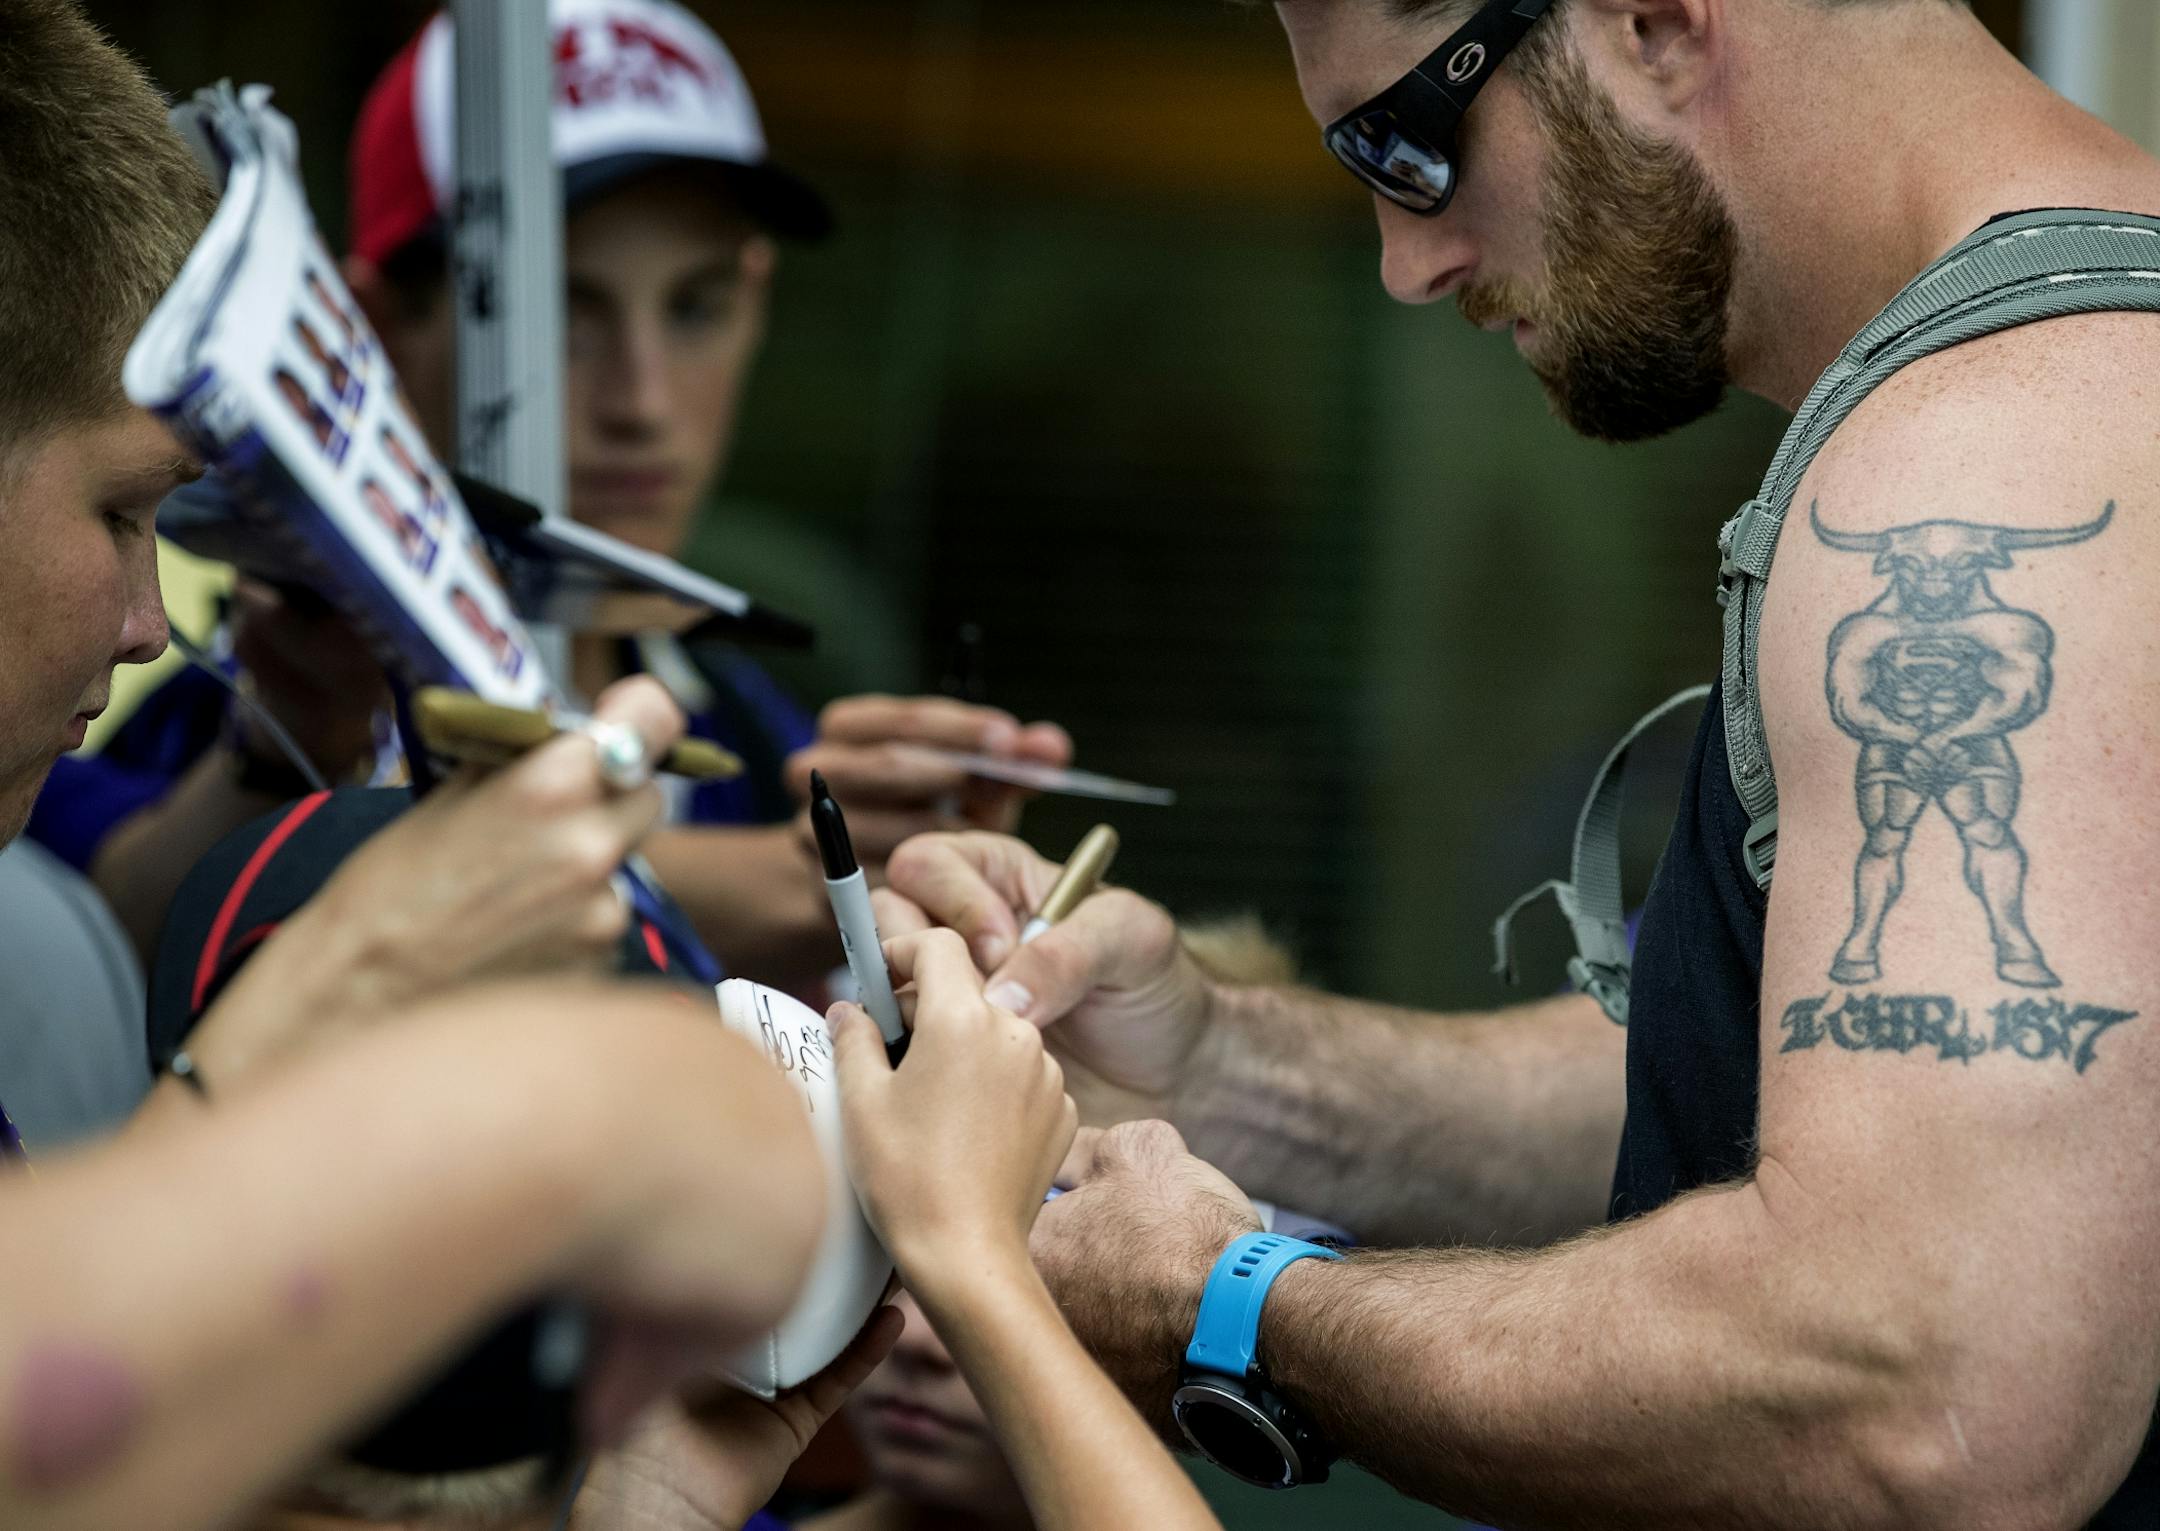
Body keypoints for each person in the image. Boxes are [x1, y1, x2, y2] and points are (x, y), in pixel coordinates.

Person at [874, 0, 2160, 1525]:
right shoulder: (2077, 371)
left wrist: (1237, 1300)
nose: (1405, 264)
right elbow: (1857, 1088)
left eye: (1402, 144)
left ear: (1654, 22)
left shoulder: (1994, 452)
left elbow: (1930, 1395)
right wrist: (1229, 1066)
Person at [27, 0, 1074, 987]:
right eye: (556, 316)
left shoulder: (759, 742)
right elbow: (92, 947)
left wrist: (892, 892)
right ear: (372, 327)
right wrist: (283, 746)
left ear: (757, 300)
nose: (643, 401)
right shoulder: (240, 714)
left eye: (697, 307)